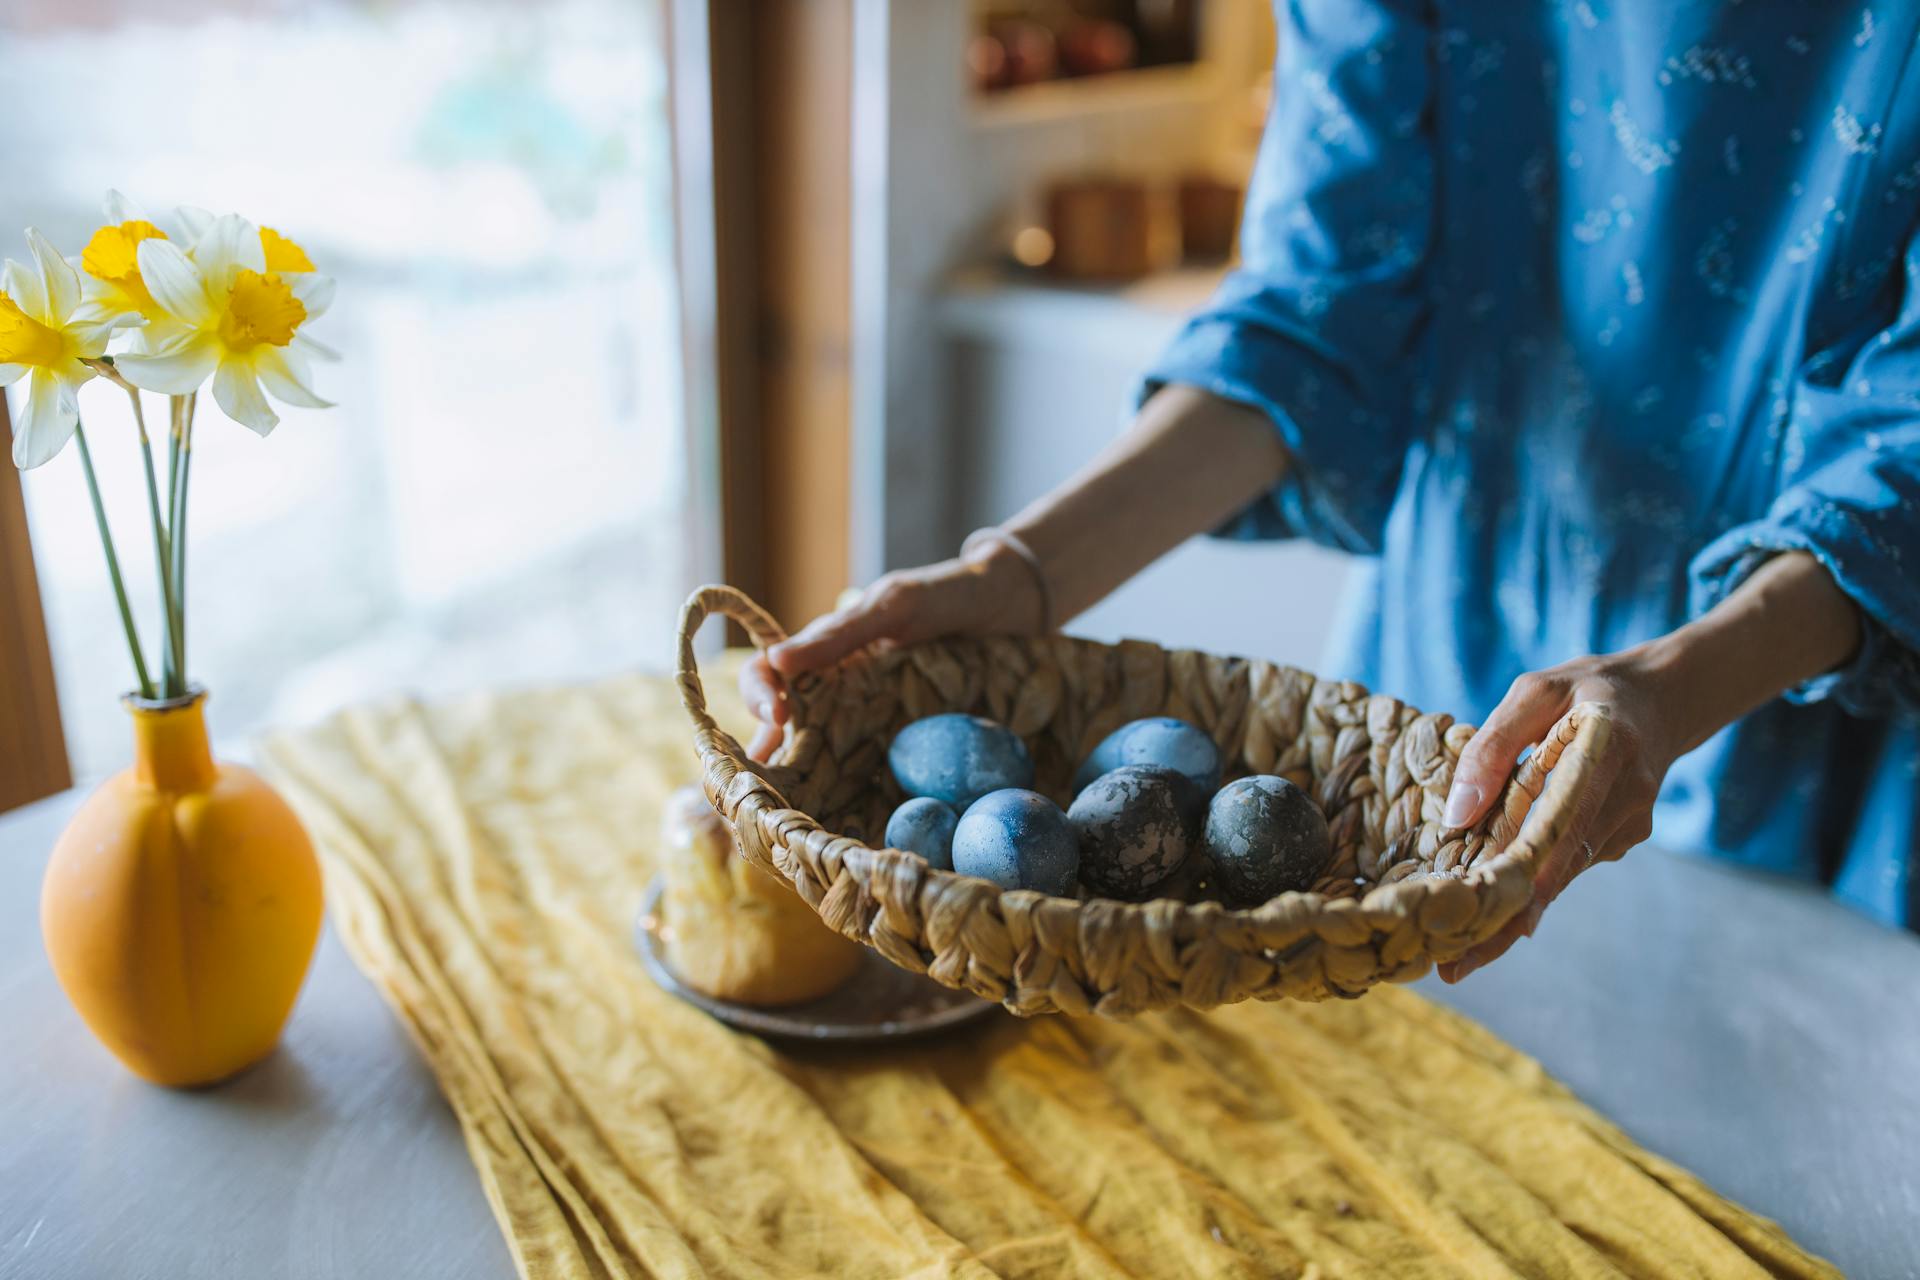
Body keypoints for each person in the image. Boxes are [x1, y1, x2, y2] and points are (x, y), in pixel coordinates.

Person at [744, 4, 1919, 978]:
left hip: (1816, 724)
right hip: (1438, 729)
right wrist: (1017, 573)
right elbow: (1316, 319)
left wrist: (1679, 683)